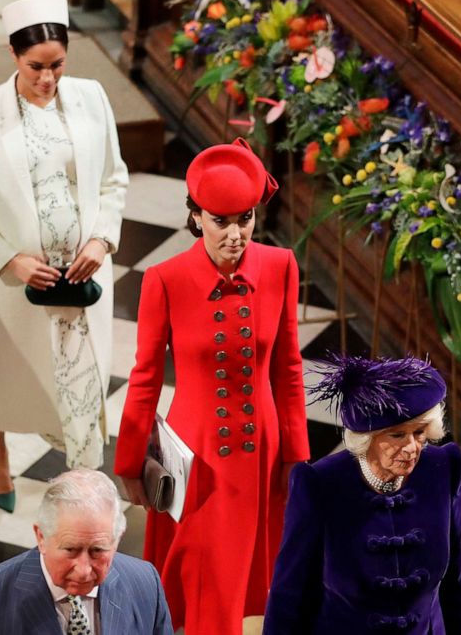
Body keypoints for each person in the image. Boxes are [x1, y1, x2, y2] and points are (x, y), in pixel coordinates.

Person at [114, 138, 310, 634]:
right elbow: (145, 380)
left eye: (244, 219)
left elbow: (288, 367)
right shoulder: (164, 280)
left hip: (262, 454)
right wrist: (130, 463)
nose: (235, 234)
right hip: (197, 461)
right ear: (196, 216)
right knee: (207, 586)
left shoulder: (281, 266)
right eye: (221, 221)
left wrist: (297, 456)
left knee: (255, 583)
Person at [0, 0, 128, 511]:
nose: (48, 78)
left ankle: (83, 485)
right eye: (36, 67)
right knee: (5, 372)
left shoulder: (91, 97)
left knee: (81, 379)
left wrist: (102, 239)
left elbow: (114, 179)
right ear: (13, 56)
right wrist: (9, 259)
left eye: (57, 66)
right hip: (14, 280)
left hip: (84, 271)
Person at [263, 355, 461, 634]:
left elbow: (456, 581)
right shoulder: (319, 486)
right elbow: (289, 596)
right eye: (398, 435)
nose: (412, 447)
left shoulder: (443, 469)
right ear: (367, 436)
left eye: (420, 432)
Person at [0, 469, 173, 635]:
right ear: (41, 537)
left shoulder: (145, 584)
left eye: (97, 551)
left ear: (117, 539)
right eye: (71, 550)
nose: (83, 570)